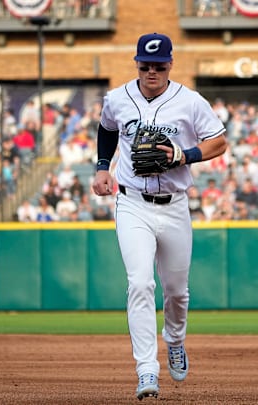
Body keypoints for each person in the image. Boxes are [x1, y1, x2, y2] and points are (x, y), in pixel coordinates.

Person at [91, 32, 227, 400]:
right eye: (145, 66)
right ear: (137, 64)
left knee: (177, 293)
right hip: (132, 201)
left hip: (175, 205)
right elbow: (106, 127)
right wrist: (103, 167)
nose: (151, 71)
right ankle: (146, 370)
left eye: (159, 66)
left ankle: (176, 340)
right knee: (139, 284)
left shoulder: (190, 101)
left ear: (170, 65)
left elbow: (219, 140)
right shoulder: (117, 98)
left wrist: (184, 156)